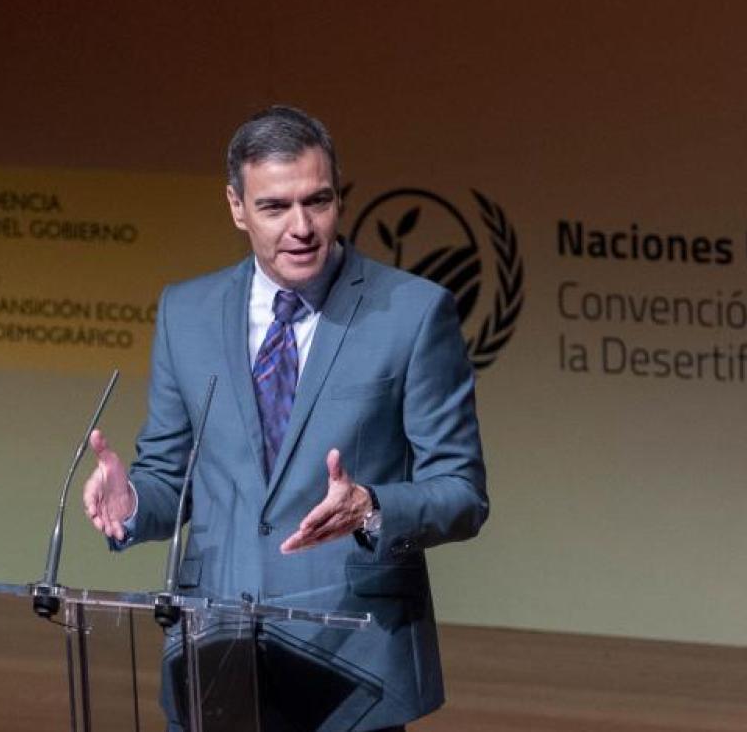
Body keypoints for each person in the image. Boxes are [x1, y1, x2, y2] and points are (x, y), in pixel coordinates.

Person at [81, 105, 489, 732]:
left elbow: (462, 494)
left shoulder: (413, 313)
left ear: (338, 197)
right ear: (236, 207)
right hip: (213, 653)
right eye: (274, 207)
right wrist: (131, 501)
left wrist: (372, 507)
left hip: (353, 662)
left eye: (317, 201)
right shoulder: (186, 312)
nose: (301, 227)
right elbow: (169, 478)